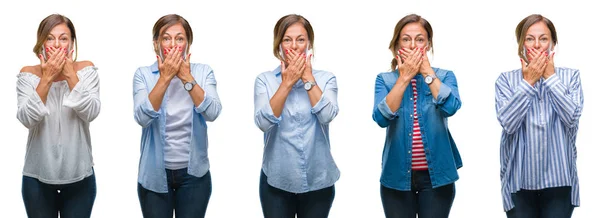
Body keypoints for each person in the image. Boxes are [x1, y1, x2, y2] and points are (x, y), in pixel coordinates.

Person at [372, 14, 462, 218]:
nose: (413, 45)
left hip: (437, 176)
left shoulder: (445, 76)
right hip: (396, 176)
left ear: (428, 44)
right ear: (397, 45)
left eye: (419, 39)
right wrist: (404, 78)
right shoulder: (385, 80)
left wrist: (427, 72)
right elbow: (380, 118)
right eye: (406, 39)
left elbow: (451, 107)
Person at [133, 14, 222, 218]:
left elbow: (213, 112)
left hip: (194, 175)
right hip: (155, 175)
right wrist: (164, 79)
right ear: (156, 44)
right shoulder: (143, 75)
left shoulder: (203, 72)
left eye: (180, 39)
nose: (173, 45)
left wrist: (186, 77)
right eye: (166, 38)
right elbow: (142, 117)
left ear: (188, 44)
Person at [495, 14, 583, 218]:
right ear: (521, 45)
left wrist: (550, 77)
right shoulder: (506, 81)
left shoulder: (571, 77)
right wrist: (529, 82)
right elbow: (508, 123)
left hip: (560, 181)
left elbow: (572, 117)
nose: (537, 45)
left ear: (553, 43)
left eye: (543, 39)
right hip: (518, 183)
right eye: (529, 39)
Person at [253, 14, 340, 218]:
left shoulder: (326, 79)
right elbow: (263, 123)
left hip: (318, 179)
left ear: (309, 43)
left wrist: (307, 78)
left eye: (300, 40)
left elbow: (327, 115)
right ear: (279, 45)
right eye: (287, 40)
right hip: (276, 180)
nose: (294, 46)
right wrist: (287, 84)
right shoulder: (264, 80)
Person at [17, 14, 100, 218]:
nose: (57, 44)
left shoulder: (86, 70)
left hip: (80, 178)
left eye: (63, 38)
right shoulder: (28, 74)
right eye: (50, 38)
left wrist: (70, 74)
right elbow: (27, 118)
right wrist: (46, 79)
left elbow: (91, 112)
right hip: (36, 179)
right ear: (41, 43)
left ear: (72, 43)